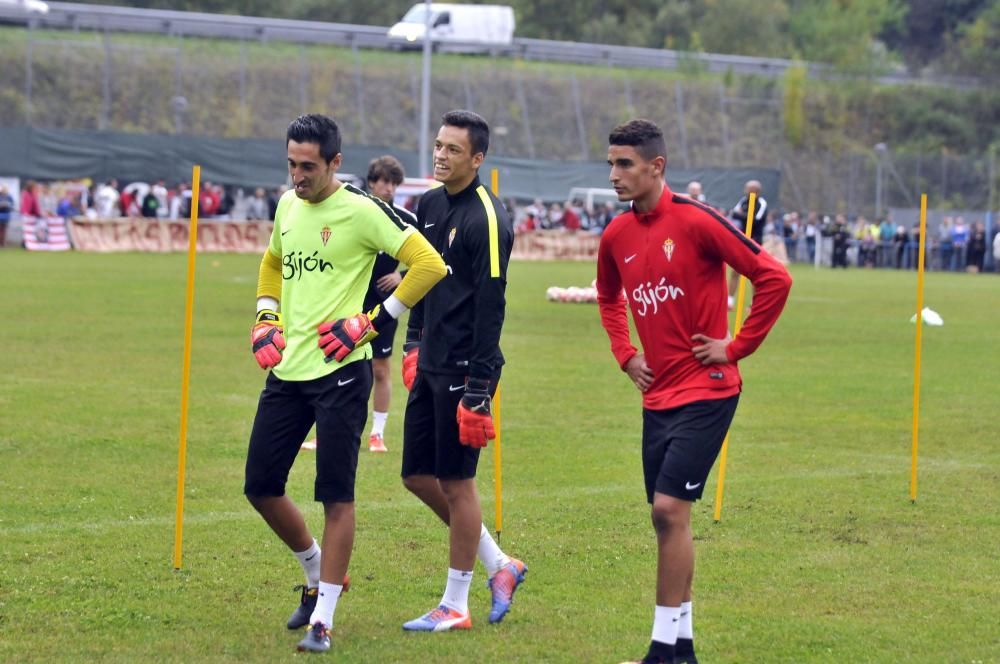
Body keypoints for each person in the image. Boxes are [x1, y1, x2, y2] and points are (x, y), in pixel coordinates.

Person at [244, 113, 446, 654]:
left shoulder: (361, 211)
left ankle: (324, 619)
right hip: (287, 372)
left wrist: (374, 320)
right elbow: (272, 262)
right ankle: (315, 573)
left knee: (336, 494)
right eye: (290, 163)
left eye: (308, 166)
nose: (297, 176)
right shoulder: (288, 205)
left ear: (335, 163)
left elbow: (429, 264)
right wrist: (267, 317)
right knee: (260, 486)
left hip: (341, 373)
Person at [596, 119, 792, 664]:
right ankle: (682, 649)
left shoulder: (698, 220)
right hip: (656, 397)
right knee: (667, 519)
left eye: (625, 164)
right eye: (610, 163)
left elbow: (773, 277)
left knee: (668, 510)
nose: (614, 174)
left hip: (709, 390)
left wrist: (736, 347)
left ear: (656, 167)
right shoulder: (615, 236)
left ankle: (662, 651)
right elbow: (608, 297)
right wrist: (626, 354)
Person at [399, 110, 526, 632]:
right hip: (429, 359)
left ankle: (455, 604)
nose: (440, 156)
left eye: (453, 150)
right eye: (437, 145)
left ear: (477, 159)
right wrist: (410, 341)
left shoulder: (488, 219)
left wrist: (479, 385)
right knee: (415, 476)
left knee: (457, 483)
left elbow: (491, 305)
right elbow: (420, 277)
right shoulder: (427, 204)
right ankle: (500, 565)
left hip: (466, 368)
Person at [363, 155, 416, 453]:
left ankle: (377, 433)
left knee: (380, 369)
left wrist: (402, 275)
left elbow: (431, 259)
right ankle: (327, 432)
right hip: (347, 303)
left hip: (385, 306)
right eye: (384, 181)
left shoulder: (406, 221)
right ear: (372, 182)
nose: (389, 188)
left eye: (394, 183)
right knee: (337, 369)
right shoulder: (352, 214)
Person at [727, 180, 768, 308]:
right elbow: (734, 213)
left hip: (755, 242)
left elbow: (756, 220)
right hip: (742, 240)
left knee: (754, 274)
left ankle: (754, 304)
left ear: (757, 192)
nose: (748, 192)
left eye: (751, 190)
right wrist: (744, 215)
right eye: (747, 189)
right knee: (735, 271)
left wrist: (742, 215)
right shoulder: (743, 201)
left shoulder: (762, 203)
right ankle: (729, 301)